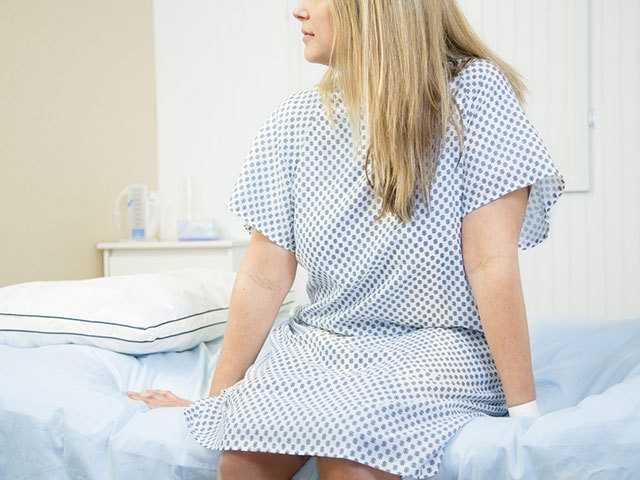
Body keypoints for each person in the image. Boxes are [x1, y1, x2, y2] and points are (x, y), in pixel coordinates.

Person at [127, 0, 564, 478]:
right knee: (242, 464)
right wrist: (215, 404)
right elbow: (261, 278)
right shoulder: (294, 120)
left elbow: (491, 262)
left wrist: (525, 414)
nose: (298, 12)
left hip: (437, 345)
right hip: (322, 345)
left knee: (354, 460)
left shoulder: (473, 93)